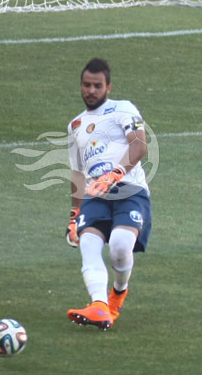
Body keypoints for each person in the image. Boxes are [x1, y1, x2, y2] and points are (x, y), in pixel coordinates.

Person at [64, 58, 152, 330]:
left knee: (119, 248)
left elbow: (139, 146)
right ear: (81, 86)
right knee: (88, 245)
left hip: (130, 190)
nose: (91, 91)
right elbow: (78, 173)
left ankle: (117, 294)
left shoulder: (123, 109)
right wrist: (74, 214)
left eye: (97, 86)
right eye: (86, 85)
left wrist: (114, 174)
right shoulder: (75, 125)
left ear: (108, 87)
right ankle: (99, 306)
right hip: (95, 196)